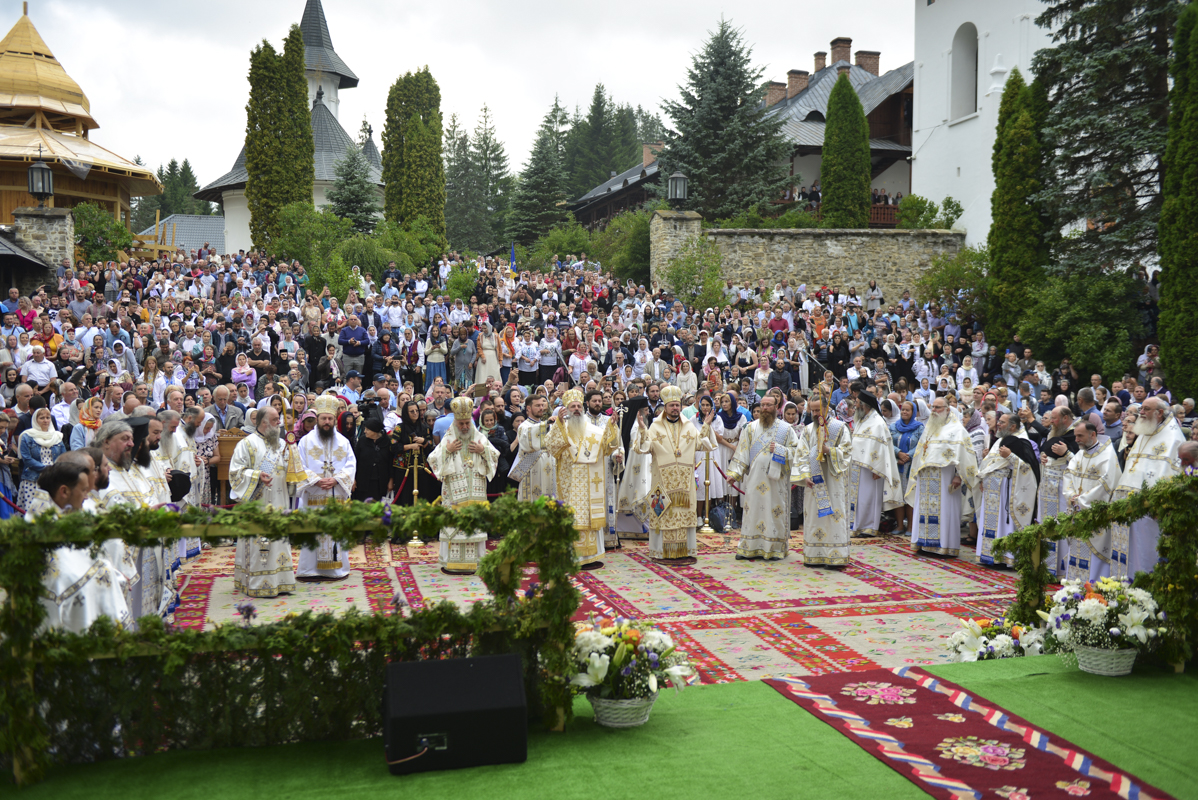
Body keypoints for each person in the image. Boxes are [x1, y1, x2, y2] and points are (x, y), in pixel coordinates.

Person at [29, 458, 132, 633]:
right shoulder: (43, 525)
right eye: (84, 490)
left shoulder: (66, 515)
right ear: (64, 491)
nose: (87, 496)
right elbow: (65, 575)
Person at [632, 384, 716, 562]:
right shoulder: (655, 427)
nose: (675, 408)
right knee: (663, 514)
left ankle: (685, 552)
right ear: (665, 407)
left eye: (677, 405)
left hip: (685, 485)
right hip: (662, 482)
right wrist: (641, 429)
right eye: (671, 405)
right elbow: (643, 448)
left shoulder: (689, 427)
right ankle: (661, 552)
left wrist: (706, 426)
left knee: (684, 516)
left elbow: (702, 444)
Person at [545, 388, 623, 569]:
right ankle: (573, 557)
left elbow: (607, 447)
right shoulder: (560, 427)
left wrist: (612, 426)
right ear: (566, 409)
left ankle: (592, 555)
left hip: (590, 483)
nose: (577, 409)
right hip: (570, 484)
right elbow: (551, 446)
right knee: (573, 518)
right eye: (572, 406)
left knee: (589, 517)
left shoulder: (593, 430)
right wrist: (557, 422)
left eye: (579, 406)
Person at [228, 406, 301, 597]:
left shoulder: (283, 444)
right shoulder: (247, 444)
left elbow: (291, 473)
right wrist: (257, 475)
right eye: (276, 419)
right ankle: (256, 583)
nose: (280, 423)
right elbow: (235, 473)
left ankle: (281, 582)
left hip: (279, 501)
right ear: (263, 422)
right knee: (258, 543)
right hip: (257, 504)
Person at [1110, 396, 1185, 578]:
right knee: (1126, 552)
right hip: (1126, 507)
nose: (1140, 413)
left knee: (1144, 552)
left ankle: (1144, 590)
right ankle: (1121, 586)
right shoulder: (1146, 430)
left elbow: (1172, 476)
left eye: (1145, 409)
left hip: (1149, 510)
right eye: (1141, 408)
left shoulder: (1173, 438)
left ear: (1159, 413)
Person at [427, 396, 499, 574]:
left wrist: (483, 451)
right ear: (456, 423)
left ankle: (475, 562)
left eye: (467, 423)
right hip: (453, 494)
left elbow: (495, 455)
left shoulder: (479, 437)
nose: (465, 427)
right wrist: (447, 450)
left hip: (475, 492)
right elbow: (432, 459)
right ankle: (452, 563)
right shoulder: (448, 439)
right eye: (461, 424)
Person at [726, 394, 801, 560]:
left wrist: (781, 450)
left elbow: (797, 452)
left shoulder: (786, 429)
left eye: (769, 405)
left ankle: (774, 549)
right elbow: (742, 452)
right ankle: (749, 548)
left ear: (776, 407)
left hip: (777, 481)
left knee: (774, 511)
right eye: (763, 405)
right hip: (755, 479)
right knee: (752, 511)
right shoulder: (750, 428)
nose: (765, 408)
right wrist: (734, 474)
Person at [907, 397, 980, 558]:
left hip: (945, 479)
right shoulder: (929, 428)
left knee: (944, 512)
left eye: (938, 408)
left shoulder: (957, 430)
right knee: (924, 512)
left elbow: (965, 457)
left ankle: (944, 546)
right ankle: (924, 543)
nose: (934, 410)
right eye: (933, 407)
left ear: (948, 409)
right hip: (925, 480)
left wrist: (958, 476)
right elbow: (920, 454)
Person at [295, 395, 357, 581]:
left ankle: (336, 570)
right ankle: (309, 570)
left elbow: (351, 465)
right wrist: (315, 479)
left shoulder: (343, 442)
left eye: (330, 418)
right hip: (313, 495)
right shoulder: (305, 442)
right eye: (324, 418)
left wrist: (337, 479)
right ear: (318, 419)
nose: (327, 422)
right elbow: (299, 466)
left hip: (335, 496)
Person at [792, 388, 854, 567]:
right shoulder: (809, 429)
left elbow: (848, 452)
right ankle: (815, 554)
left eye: (818, 410)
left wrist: (830, 451)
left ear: (827, 408)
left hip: (833, 480)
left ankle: (835, 556)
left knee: (834, 515)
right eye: (812, 410)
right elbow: (801, 453)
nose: (815, 413)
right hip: (814, 480)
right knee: (813, 516)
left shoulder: (839, 427)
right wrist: (804, 476)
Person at [974, 414, 1040, 568]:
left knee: (1004, 524)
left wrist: (1011, 457)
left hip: (1007, 491)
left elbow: (1030, 469)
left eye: (1002, 422)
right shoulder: (999, 439)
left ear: (1012, 426)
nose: (998, 424)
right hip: (992, 489)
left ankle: (1006, 557)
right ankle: (989, 554)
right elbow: (990, 462)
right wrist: (983, 478)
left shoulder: (1024, 441)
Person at [1062, 421, 1123, 582]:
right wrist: (1071, 496)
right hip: (1076, 509)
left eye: (1080, 436)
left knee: (1092, 554)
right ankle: (1073, 588)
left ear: (1093, 435)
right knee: (1076, 549)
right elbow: (1068, 474)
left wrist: (1082, 501)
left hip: (1095, 514)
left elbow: (1106, 484)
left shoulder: (1108, 455)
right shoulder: (1080, 454)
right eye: (1075, 436)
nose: (1076, 440)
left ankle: (1093, 590)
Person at [847, 391, 901, 539]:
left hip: (872, 469)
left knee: (868, 498)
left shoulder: (878, 423)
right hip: (858, 468)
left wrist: (879, 468)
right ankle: (856, 526)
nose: (855, 406)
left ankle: (869, 527)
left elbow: (883, 448)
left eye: (857, 403)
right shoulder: (861, 420)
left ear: (864, 405)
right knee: (859, 498)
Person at [1037, 406, 1078, 576]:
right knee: (1048, 525)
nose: (1051, 422)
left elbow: (1083, 463)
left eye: (1054, 419)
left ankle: (1061, 570)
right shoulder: (1054, 432)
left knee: (1061, 526)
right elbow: (1046, 451)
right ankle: (1046, 566)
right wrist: (1043, 457)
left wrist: (1067, 453)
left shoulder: (1076, 434)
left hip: (1063, 488)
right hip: (1048, 487)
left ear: (1065, 418)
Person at [509, 393, 557, 502]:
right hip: (532, 472)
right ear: (529, 408)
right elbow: (527, 443)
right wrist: (546, 424)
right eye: (537, 406)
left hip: (549, 469)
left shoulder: (547, 425)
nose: (541, 408)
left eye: (542, 405)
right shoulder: (523, 426)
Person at [391, 400, 437, 508]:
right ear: (406, 413)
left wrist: (424, 442)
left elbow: (431, 446)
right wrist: (409, 446)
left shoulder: (424, 428)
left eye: (416, 411)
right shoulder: (400, 428)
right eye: (412, 411)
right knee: (405, 498)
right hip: (404, 469)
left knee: (423, 495)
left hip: (422, 468)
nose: (415, 413)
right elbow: (393, 446)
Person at [17, 406, 65, 509]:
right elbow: (27, 459)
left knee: (51, 511)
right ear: (35, 420)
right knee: (32, 512)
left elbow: (63, 457)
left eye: (48, 417)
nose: (46, 420)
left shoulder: (57, 436)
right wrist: (47, 468)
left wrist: (54, 470)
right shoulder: (27, 436)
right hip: (33, 478)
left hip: (53, 478)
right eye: (42, 418)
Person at [890, 400, 924, 535]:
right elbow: (888, 442)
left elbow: (921, 444)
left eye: (907, 410)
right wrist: (898, 453)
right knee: (898, 495)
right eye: (902, 409)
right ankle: (899, 525)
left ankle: (910, 526)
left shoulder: (919, 428)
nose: (904, 412)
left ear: (913, 412)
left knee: (910, 495)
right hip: (897, 464)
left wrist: (908, 455)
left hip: (911, 465)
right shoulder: (893, 426)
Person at [352, 416, 393, 503]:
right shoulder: (362, 440)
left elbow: (390, 462)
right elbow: (355, 460)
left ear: (375, 431)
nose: (364, 431)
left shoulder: (387, 441)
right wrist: (353, 479)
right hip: (363, 481)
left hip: (380, 482)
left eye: (367, 429)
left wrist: (391, 480)